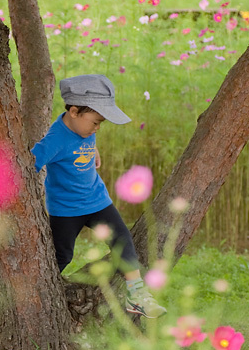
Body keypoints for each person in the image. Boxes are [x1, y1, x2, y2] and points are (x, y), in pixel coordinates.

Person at [31, 74, 166, 318]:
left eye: (100, 123)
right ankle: (31, 293)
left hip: (97, 201)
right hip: (66, 210)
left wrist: (94, 148)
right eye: (95, 122)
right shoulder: (55, 139)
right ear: (74, 111)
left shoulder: (83, 126)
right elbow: (30, 162)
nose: (97, 128)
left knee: (122, 240)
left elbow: (84, 136)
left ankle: (137, 296)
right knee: (61, 255)